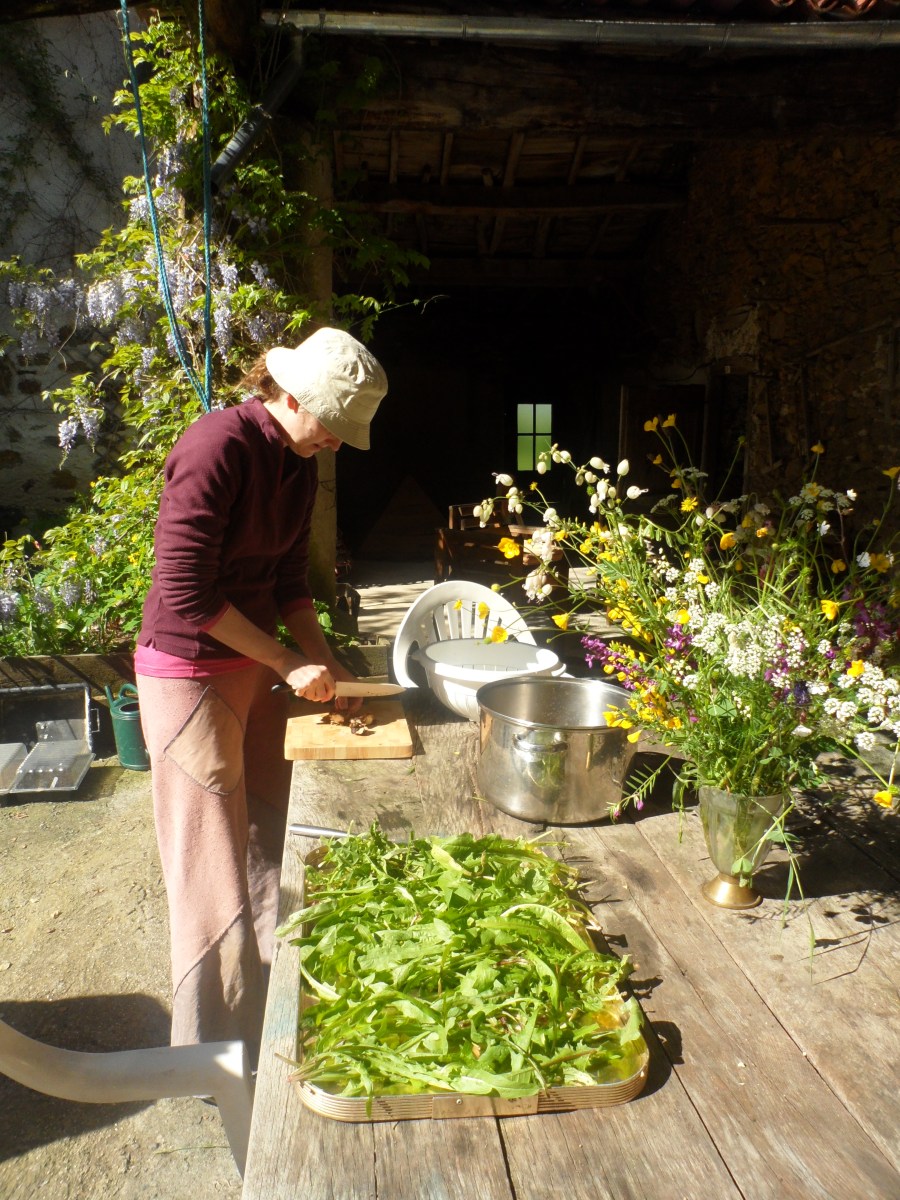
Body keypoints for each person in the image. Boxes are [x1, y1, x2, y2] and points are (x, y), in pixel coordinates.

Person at [135, 326, 388, 1065]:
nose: (338, 444)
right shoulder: (217, 446)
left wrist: (324, 662)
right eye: (333, 426)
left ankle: (281, 1011)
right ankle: (212, 1057)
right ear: (292, 395)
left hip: (249, 667)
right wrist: (283, 660)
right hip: (186, 674)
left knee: (271, 834)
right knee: (210, 871)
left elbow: (286, 583)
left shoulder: (299, 463)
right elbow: (184, 594)